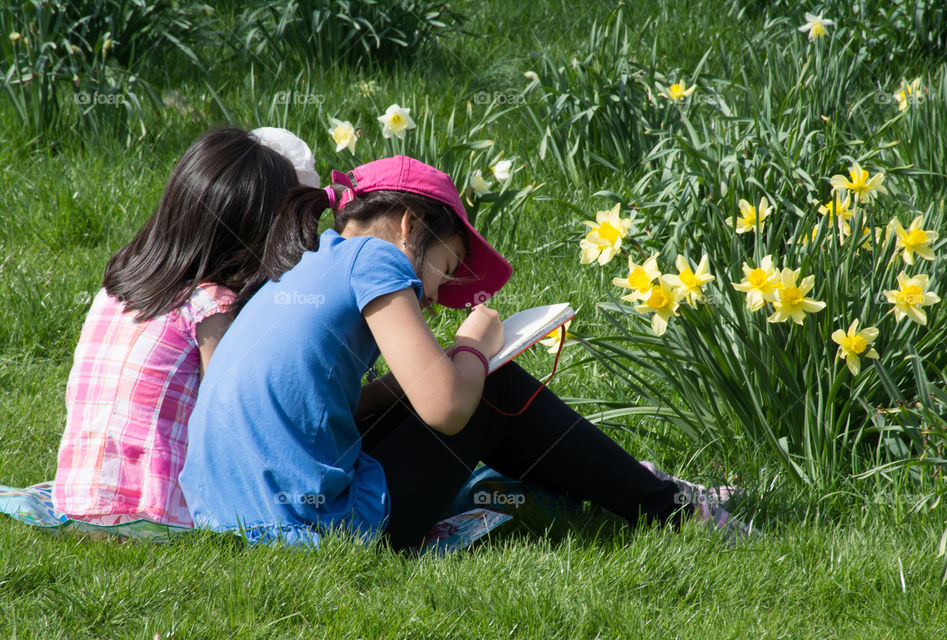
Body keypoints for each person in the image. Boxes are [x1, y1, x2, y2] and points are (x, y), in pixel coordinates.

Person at [179, 156, 753, 551]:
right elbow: (448, 409)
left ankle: (632, 486)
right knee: (490, 389)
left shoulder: (301, 262)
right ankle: (668, 507)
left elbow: (319, 413)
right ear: (409, 227)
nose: (431, 299)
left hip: (229, 517)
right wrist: (471, 347)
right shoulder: (374, 258)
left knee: (459, 385)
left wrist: (405, 383)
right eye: (445, 270)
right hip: (311, 527)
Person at [52, 126, 323, 528]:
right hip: (156, 508)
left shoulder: (117, 289)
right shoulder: (209, 307)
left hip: (78, 493)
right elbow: (234, 419)